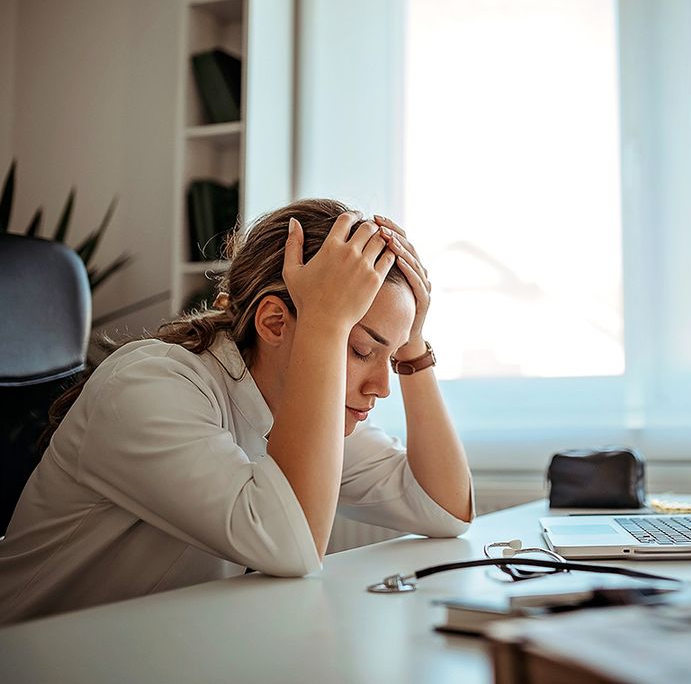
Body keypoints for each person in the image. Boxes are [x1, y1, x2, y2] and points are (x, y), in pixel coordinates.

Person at [0, 199, 473, 625]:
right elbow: (292, 547)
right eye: (361, 349)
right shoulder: (147, 386)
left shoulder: (297, 408)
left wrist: (412, 344)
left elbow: (446, 509)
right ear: (274, 323)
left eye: (389, 359)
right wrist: (325, 323)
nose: (382, 387)